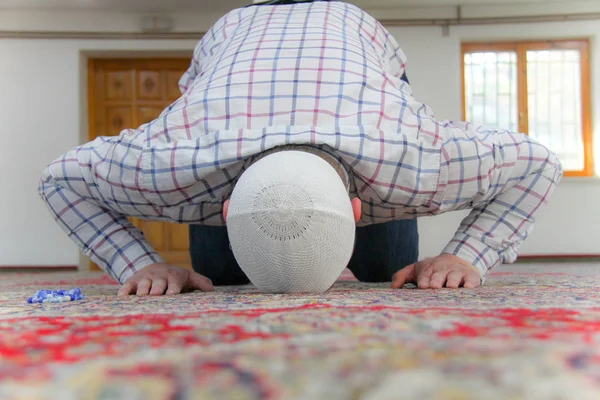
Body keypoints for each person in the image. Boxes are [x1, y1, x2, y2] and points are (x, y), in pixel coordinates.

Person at [38, 0, 562, 296]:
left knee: (386, 274)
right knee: (218, 278)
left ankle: (352, 263)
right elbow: (59, 178)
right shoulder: (177, 158)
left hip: (360, 47)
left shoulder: (412, 156)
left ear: (359, 210)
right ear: (223, 208)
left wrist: (461, 258)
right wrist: (141, 266)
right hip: (228, 64)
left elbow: (539, 165)